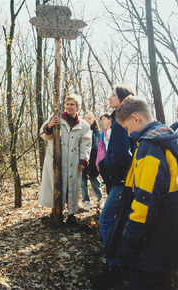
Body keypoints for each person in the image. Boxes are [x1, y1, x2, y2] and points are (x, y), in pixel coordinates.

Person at [113, 96, 178, 290]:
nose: (128, 133)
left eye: (126, 128)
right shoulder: (168, 137)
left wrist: (128, 243)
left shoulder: (150, 147)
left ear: (136, 119)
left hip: (152, 245)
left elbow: (145, 204)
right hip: (168, 238)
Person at [93, 85, 135, 288]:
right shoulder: (126, 119)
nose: (109, 98)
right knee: (123, 221)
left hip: (121, 182)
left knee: (105, 222)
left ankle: (114, 265)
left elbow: (120, 155)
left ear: (122, 99)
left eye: (113, 95)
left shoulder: (119, 122)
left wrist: (103, 165)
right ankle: (122, 260)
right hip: (127, 180)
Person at [38, 94, 92, 224]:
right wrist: (50, 126)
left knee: (72, 187)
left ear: (78, 107)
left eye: (72, 104)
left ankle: (71, 214)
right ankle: (56, 213)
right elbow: (43, 135)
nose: (69, 107)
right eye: (67, 104)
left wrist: (83, 161)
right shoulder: (56, 118)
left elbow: (86, 144)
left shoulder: (84, 125)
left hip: (74, 161)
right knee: (57, 185)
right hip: (57, 161)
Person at [81, 111, 104, 211]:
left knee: (95, 180)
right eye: (85, 118)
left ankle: (100, 199)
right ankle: (86, 201)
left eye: (90, 118)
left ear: (94, 120)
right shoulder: (80, 132)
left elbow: (99, 149)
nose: (87, 120)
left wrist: (98, 162)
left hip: (94, 160)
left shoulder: (97, 133)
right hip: (82, 159)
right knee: (82, 181)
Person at [96, 114, 112, 195]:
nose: (102, 121)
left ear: (110, 119)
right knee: (108, 183)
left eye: (104, 119)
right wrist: (98, 163)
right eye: (101, 120)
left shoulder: (115, 131)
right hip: (106, 160)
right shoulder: (102, 134)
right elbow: (100, 150)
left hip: (114, 159)